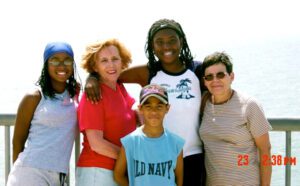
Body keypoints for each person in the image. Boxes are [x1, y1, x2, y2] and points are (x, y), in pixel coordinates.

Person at [85, 19, 205, 185]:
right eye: (159, 42)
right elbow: (112, 73)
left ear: (181, 41)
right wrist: (91, 78)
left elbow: (219, 82)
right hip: (160, 158)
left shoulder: (197, 70)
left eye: (172, 40)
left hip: (194, 156)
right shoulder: (147, 72)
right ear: (152, 46)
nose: (166, 47)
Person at [7, 42, 80, 186]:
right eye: (54, 60)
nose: (61, 65)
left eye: (67, 60)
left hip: (58, 176)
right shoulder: (34, 97)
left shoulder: (75, 96)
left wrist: (92, 80)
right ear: (46, 65)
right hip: (30, 173)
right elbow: (17, 143)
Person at [199, 51, 272, 186]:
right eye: (209, 77)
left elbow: (265, 150)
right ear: (205, 82)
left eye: (220, 75)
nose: (215, 80)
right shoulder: (205, 104)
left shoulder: (249, 105)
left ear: (231, 77)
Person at [76, 39, 137, 186]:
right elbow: (97, 144)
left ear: (122, 62)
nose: (111, 65)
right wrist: (132, 158)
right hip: (98, 172)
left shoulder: (119, 88)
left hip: (119, 170)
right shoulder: (93, 95)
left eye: (115, 59)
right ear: (95, 67)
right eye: (104, 61)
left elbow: (134, 109)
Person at [114, 84, 184, 186]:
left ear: (167, 108)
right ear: (140, 108)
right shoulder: (130, 142)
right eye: (148, 106)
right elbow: (118, 175)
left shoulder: (176, 143)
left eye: (159, 106)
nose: (154, 111)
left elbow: (179, 180)